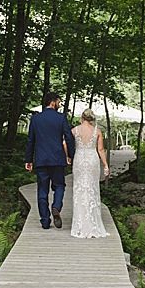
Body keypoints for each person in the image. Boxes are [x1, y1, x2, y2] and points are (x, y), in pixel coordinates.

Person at [25, 91, 76, 229]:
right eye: (59, 102)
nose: (59, 105)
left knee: (42, 189)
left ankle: (45, 221)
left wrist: (28, 159)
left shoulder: (36, 119)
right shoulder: (61, 118)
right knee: (59, 186)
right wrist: (71, 154)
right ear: (52, 102)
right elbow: (69, 137)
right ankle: (56, 207)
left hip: (41, 160)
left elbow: (31, 141)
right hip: (58, 159)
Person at [70, 108, 110, 238]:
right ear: (92, 119)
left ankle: (80, 225)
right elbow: (101, 149)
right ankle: (93, 224)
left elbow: (65, 144)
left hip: (79, 159)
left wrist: (67, 157)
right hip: (92, 160)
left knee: (80, 189)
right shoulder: (97, 131)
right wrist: (105, 165)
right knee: (92, 189)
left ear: (82, 118)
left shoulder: (74, 130)